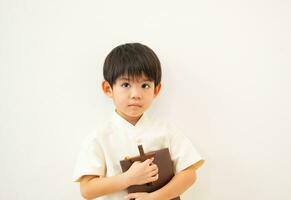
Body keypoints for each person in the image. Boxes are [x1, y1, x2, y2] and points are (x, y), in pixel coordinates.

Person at [72, 43, 205, 200]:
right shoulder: (99, 138)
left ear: (156, 90)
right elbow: (87, 189)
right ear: (108, 89)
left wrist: (155, 198)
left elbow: (189, 174)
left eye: (145, 85)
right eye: (126, 84)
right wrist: (129, 178)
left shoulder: (166, 131)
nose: (136, 94)